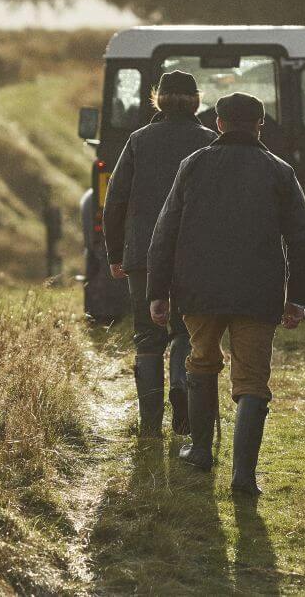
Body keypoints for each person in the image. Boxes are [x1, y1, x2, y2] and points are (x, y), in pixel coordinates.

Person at [146, 92, 305, 495]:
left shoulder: (194, 165)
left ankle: (202, 452)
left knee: (202, 362)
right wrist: (298, 297)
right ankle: (244, 476)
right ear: (260, 125)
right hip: (258, 293)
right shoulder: (279, 170)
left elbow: (164, 231)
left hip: (199, 290)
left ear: (218, 123)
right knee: (253, 381)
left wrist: (158, 291)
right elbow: (302, 239)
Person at [103, 71, 217, 437]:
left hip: (142, 254)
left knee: (147, 337)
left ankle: (150, 423)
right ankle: (182, 391)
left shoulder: (138, 141)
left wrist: (115, 252)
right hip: (195, 253)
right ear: (196, 101)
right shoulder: (211, 143)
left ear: (159, 100)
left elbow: (115, 200)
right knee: (188, 329)